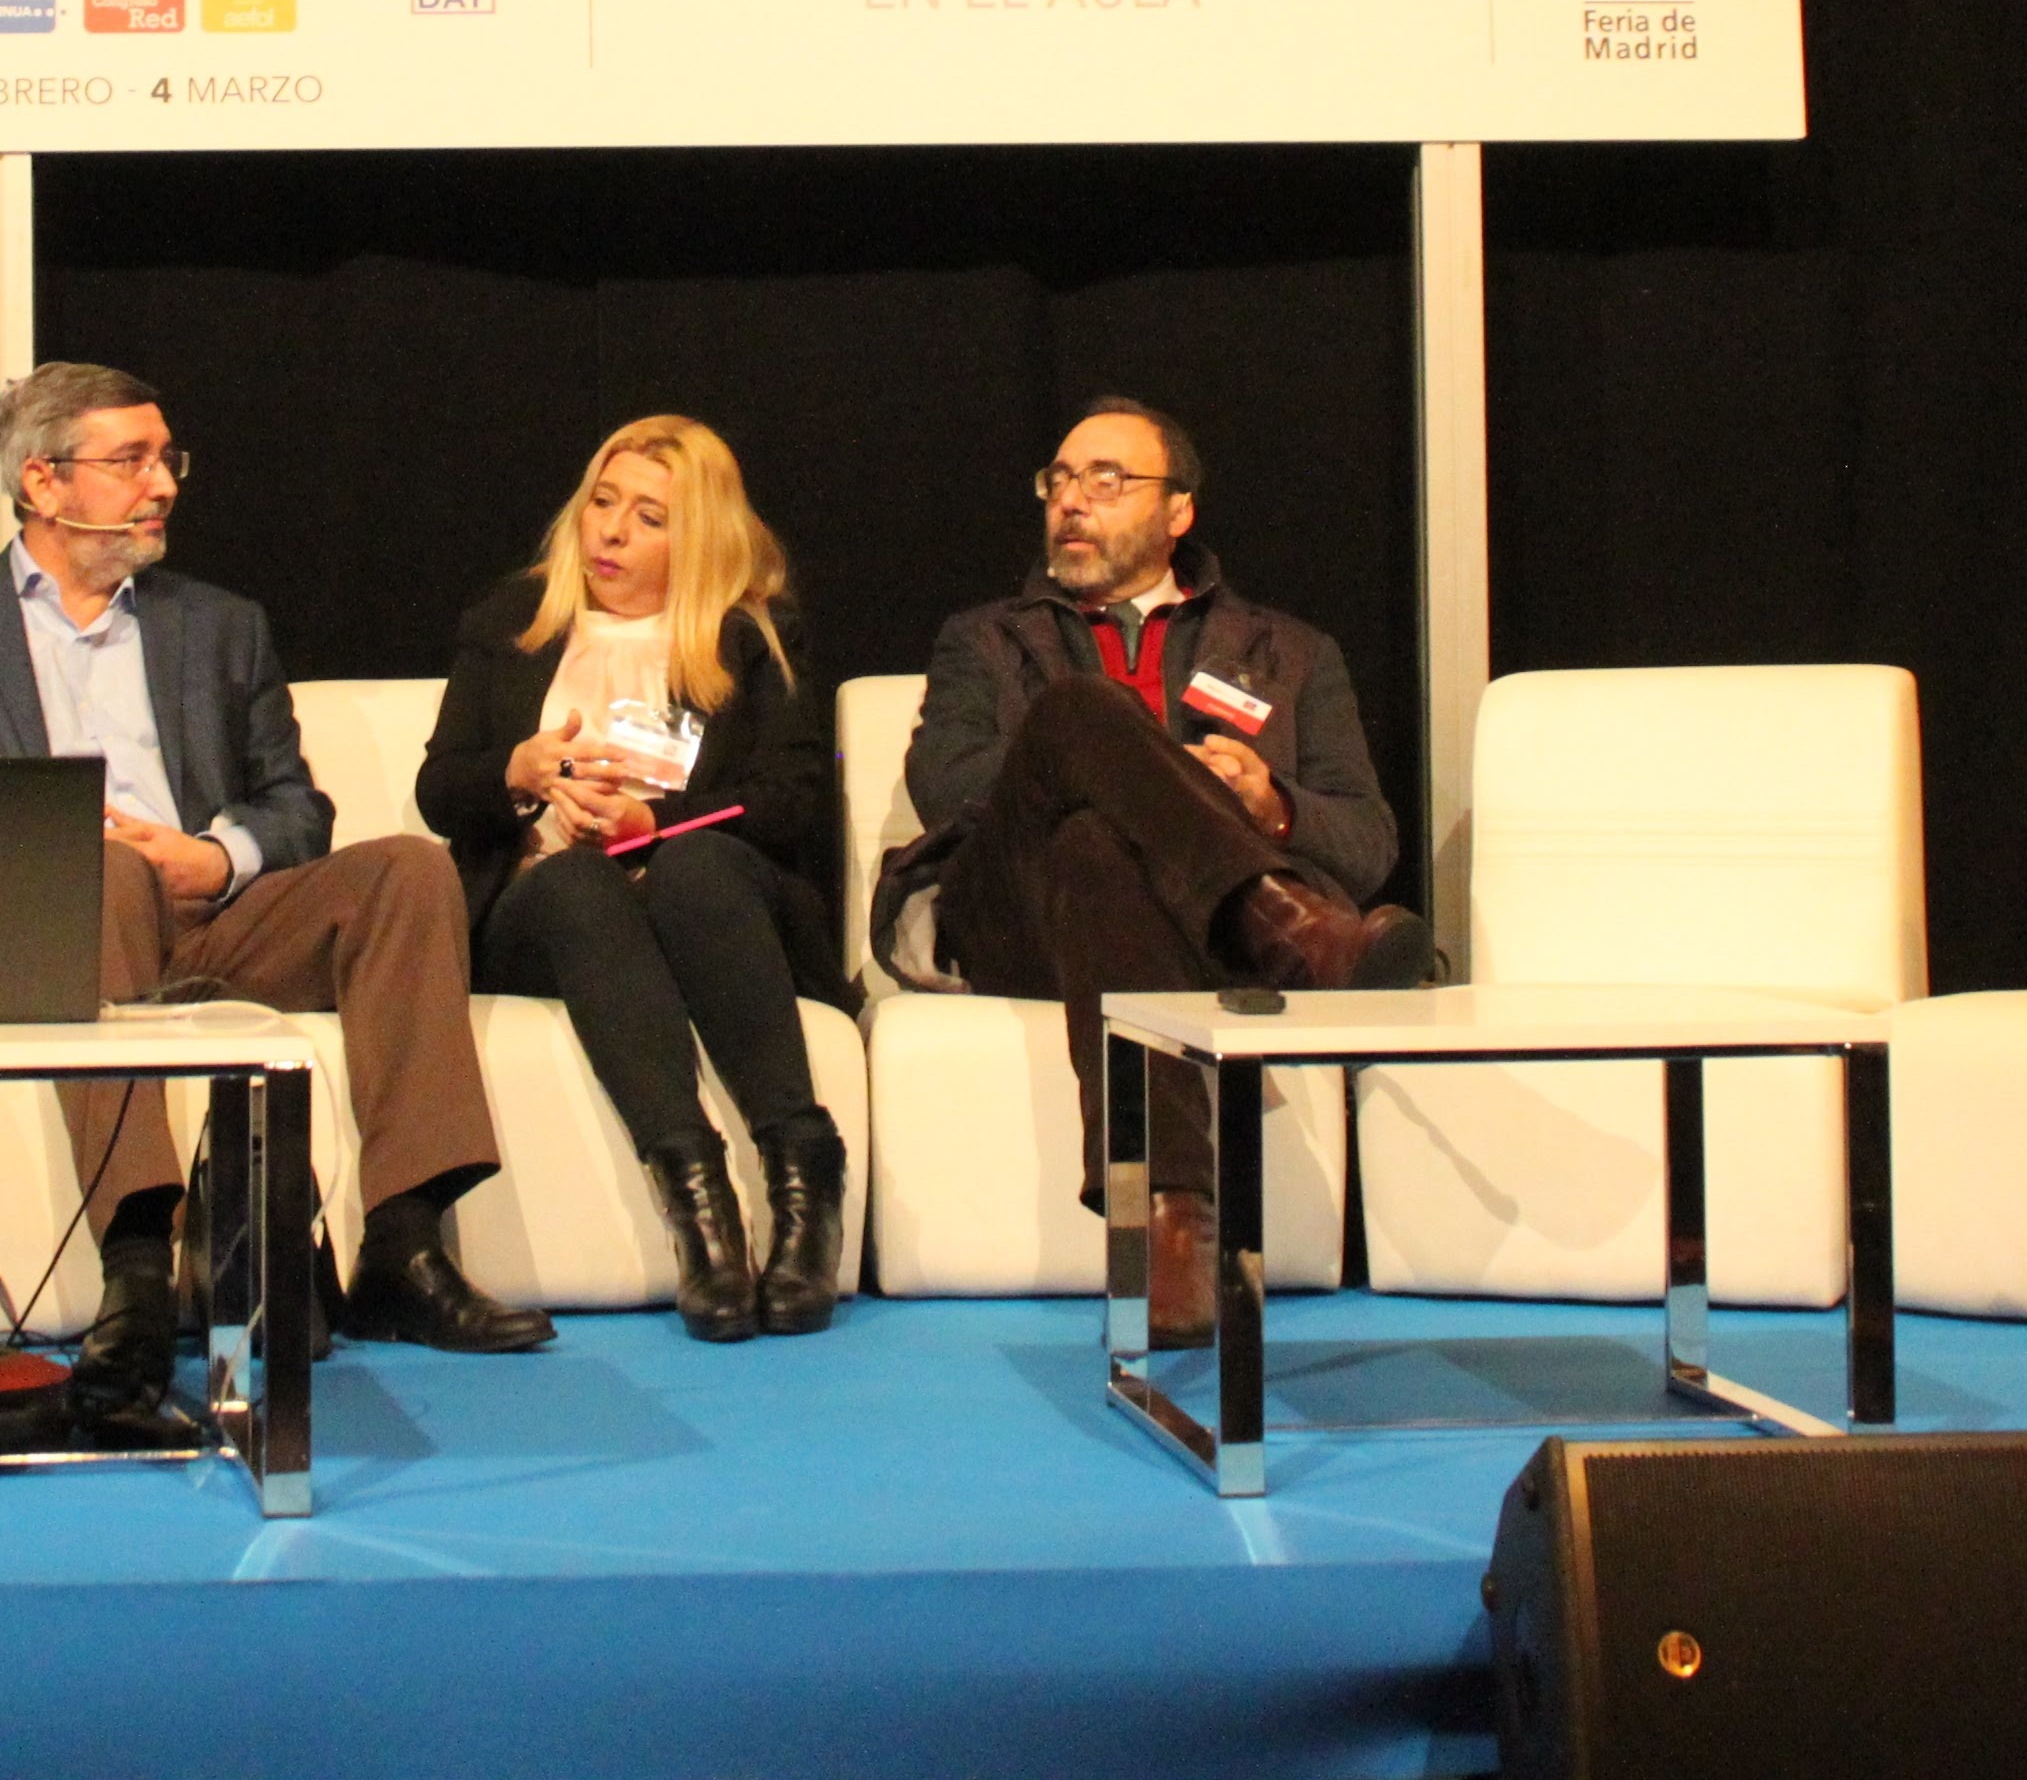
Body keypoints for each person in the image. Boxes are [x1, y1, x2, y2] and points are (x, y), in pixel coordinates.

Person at [0, 362, 552, 1423]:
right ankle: (136, 1269)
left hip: (212, 919)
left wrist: (214, 859)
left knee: (407, 869)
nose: (163, 483)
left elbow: (296, 807)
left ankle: (404, 1246)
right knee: (105, 871)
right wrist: (43, 852)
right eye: (130, 460)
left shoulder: (219, 625)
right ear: (42, 481)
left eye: (167, 457)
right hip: (45, 927)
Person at [884, 395, 1431, 1332]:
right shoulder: (984, 638)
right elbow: (947, 783)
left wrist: (1270, 804)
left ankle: (1174, 1227)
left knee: (1099, 851)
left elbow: (1369, 838)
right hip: (1019, 913)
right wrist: (1136, 773)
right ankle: (1289, 925)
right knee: (1078, 714)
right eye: (1060, 480)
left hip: (1186, 929)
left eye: (1107, 479)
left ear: (1179, 510)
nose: (1071, 500)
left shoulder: (1291, 653)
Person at [415, 417, 851, 1342]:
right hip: (546, 908)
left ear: (701, 539)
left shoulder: (750, 635)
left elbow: (791, 798)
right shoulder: (513, 620)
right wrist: (519, 774)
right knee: (578, 882)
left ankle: (805, 1187)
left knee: (694, 863)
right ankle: (701, 1213)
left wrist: (657, 823)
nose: (610, 532)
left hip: (707, 899)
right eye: (601, 503)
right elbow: (440, 788)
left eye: (649, 518)